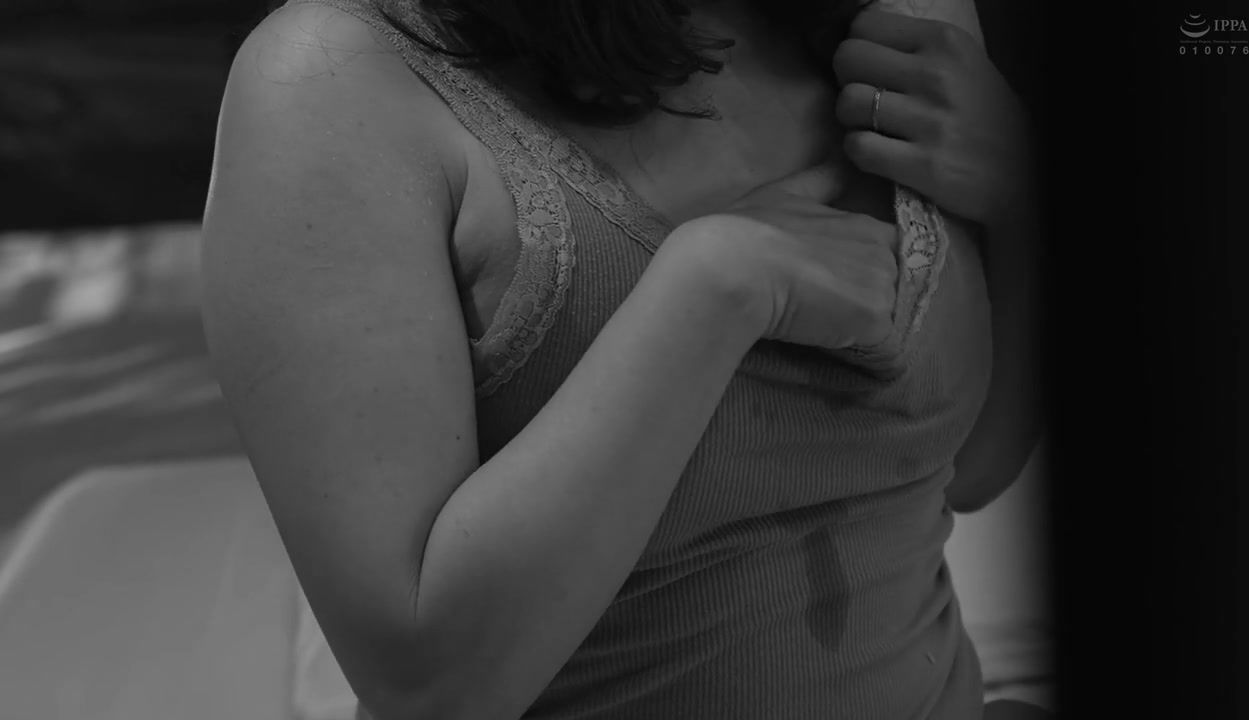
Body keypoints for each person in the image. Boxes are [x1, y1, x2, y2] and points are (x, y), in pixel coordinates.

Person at [199, 0, 1046, 717]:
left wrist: (1025, 201)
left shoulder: (900, 17)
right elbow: (430, 689)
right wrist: (710, 290)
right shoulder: (334, 76)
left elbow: (962, 468)